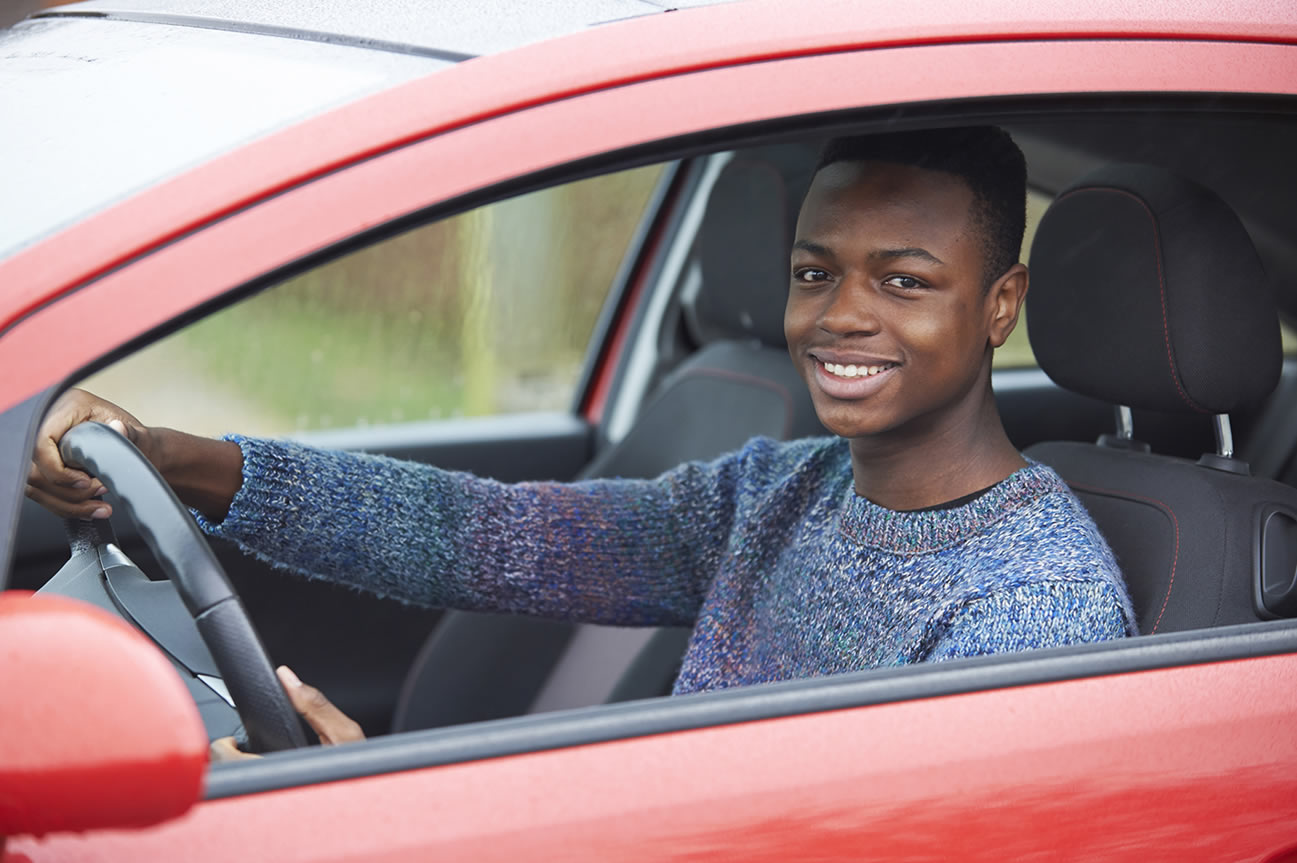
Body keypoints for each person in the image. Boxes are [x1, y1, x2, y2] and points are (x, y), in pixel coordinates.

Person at [27, 127, 1136, 756]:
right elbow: (489, 537)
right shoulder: (781, 491)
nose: (840, 315)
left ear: (999, 305)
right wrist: (177, 457)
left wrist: (383, 812)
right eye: (814, 272)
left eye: (902, 281)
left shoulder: (1032, 607)